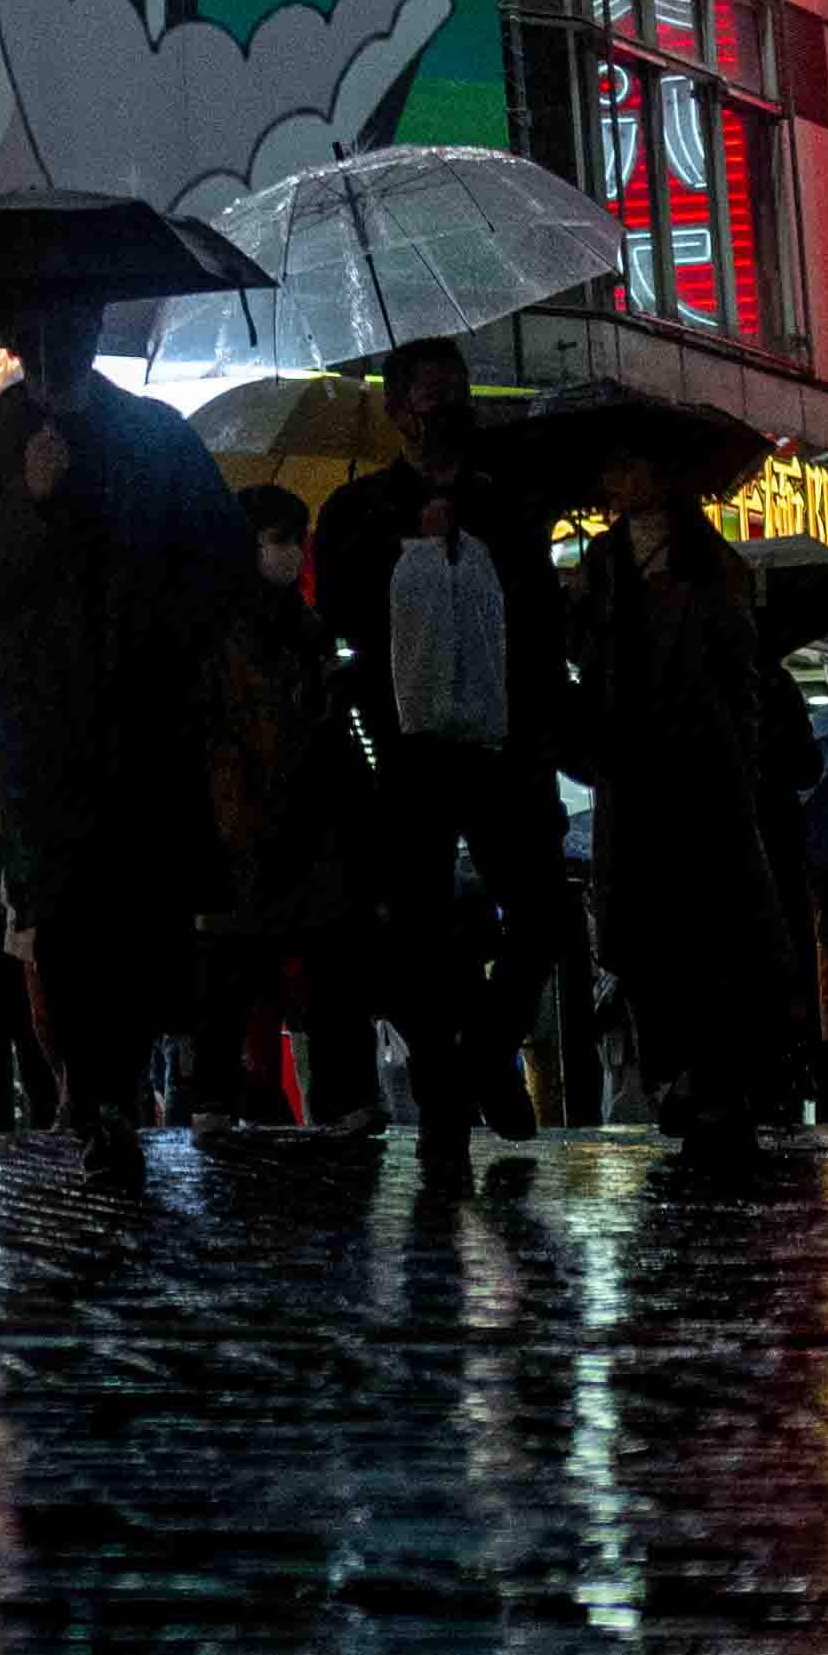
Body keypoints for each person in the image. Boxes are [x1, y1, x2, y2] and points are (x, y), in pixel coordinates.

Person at [0, 366, 242, 1123]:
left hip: (146, 725)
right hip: (44, 735)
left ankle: (112, 1090)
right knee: (66, 920)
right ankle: (97, 1096)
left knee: (139, 915)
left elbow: (221, 561)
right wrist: (27, 499)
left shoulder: (152, 435)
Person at [315, 360, 557, 1163]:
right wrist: (415, 559)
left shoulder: (509, 501)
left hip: (502, 742)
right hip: (406, 744)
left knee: (540, 912)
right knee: (414, 925)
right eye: (427, 398)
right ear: (396, 411)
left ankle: (483, 1052)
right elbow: (343, 613)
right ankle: (443, 1091)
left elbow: (537, 619)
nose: (445, 410)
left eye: (456, 393)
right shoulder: (357, 510)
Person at [571, 460, 806, 1169]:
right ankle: (673, 1069)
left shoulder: (713, 565)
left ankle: (712, 1081)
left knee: (710, 937)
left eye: (631, 463)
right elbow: (585, 659)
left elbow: (738, 679)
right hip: (630, 774)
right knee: (642, 937)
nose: (616, 478)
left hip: (703, 774)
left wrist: (738, 763)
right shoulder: (602, 563)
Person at [191, 492, 374, 1123]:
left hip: (298, 817)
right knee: (243, 963)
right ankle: (227, 1095)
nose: (290, 552)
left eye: (296, 537)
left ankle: (332, 1095)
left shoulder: (302, 625)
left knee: (311, 960)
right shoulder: (228, 629)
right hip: (249, 818)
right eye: (278, 538)